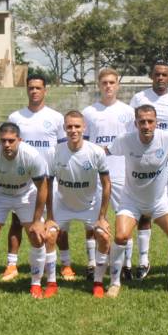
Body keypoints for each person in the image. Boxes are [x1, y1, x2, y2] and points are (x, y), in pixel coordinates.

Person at [106, 105, 168, 297]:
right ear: (135, 123)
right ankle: (115, 282)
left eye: (150, 121)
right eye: (142, 121)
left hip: (159, 202)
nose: (146, 125)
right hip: (131, 201)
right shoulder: (125, 140)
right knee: (120, 237)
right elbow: (105, 151)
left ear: (156, 122)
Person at [128, 62, 168, 280]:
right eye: (157, 74)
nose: (160, 78)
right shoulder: (139, 98)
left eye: (165, 75)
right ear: (151, 76)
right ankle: (143, 261)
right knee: (145, 209)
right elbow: (132, 130)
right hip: (147, 161)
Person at [0, 122, 50, 300]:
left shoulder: (32, 155)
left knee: (37, 236)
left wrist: (37, 221)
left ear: (20, 140)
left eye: (11, 140)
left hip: (25, 195)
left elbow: (42, 188)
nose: (7, 145)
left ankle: (35, 284)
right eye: (3, 141)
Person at [2, 75, 65, 282]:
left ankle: (62, 264)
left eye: (38, 88)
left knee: (54, 220)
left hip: (50, 176)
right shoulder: (16, 117)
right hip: (23, 178)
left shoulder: (56, 117)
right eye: (31, 88)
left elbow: (63, 148)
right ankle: (12, 264)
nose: (34, 91)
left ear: (45, 90)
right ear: (26, 90)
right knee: (17, 221)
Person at [46, 111, 111, 298]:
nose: (73, 130)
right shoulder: (54, 152)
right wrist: (49, 217)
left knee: (104, 238)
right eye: (69, 126)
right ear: (64, 128)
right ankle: (51, 283)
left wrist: (102, 217)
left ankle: (98, 282)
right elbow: (48, 184)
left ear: (84, 128)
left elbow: (107, 184)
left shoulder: (96, 152)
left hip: (90, 205)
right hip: (63, 203)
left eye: (77, 126)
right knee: (49, 236)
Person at [83, 68, 135, 280]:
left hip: (121, 171)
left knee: (125, 218)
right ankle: (92, 263)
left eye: (112, 82)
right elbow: (84, 144)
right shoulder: (89, 112)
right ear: (99, 85)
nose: (108, 86)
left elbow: (132, 143)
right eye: (104, 82)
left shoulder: (128, 112)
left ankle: (127, 265)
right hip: (95, 174)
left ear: (118, 85)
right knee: (92, 220)